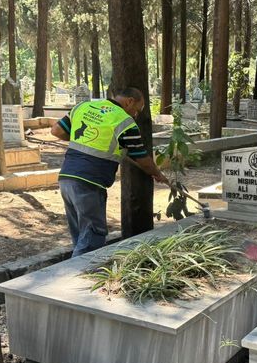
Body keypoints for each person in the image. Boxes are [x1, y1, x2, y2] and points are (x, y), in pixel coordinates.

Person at [51, 87, 169, 257]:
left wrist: (84, 140)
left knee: (81, 234)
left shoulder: (84, 107)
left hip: (67, 178)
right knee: (92, 236)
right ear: (130, 101)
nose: (136, 115)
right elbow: (142, 158)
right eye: (137, 110)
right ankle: (79, 278)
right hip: (89, 182)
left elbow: (56, 130)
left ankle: (75, 270)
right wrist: (158, 174)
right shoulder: (125, 121)